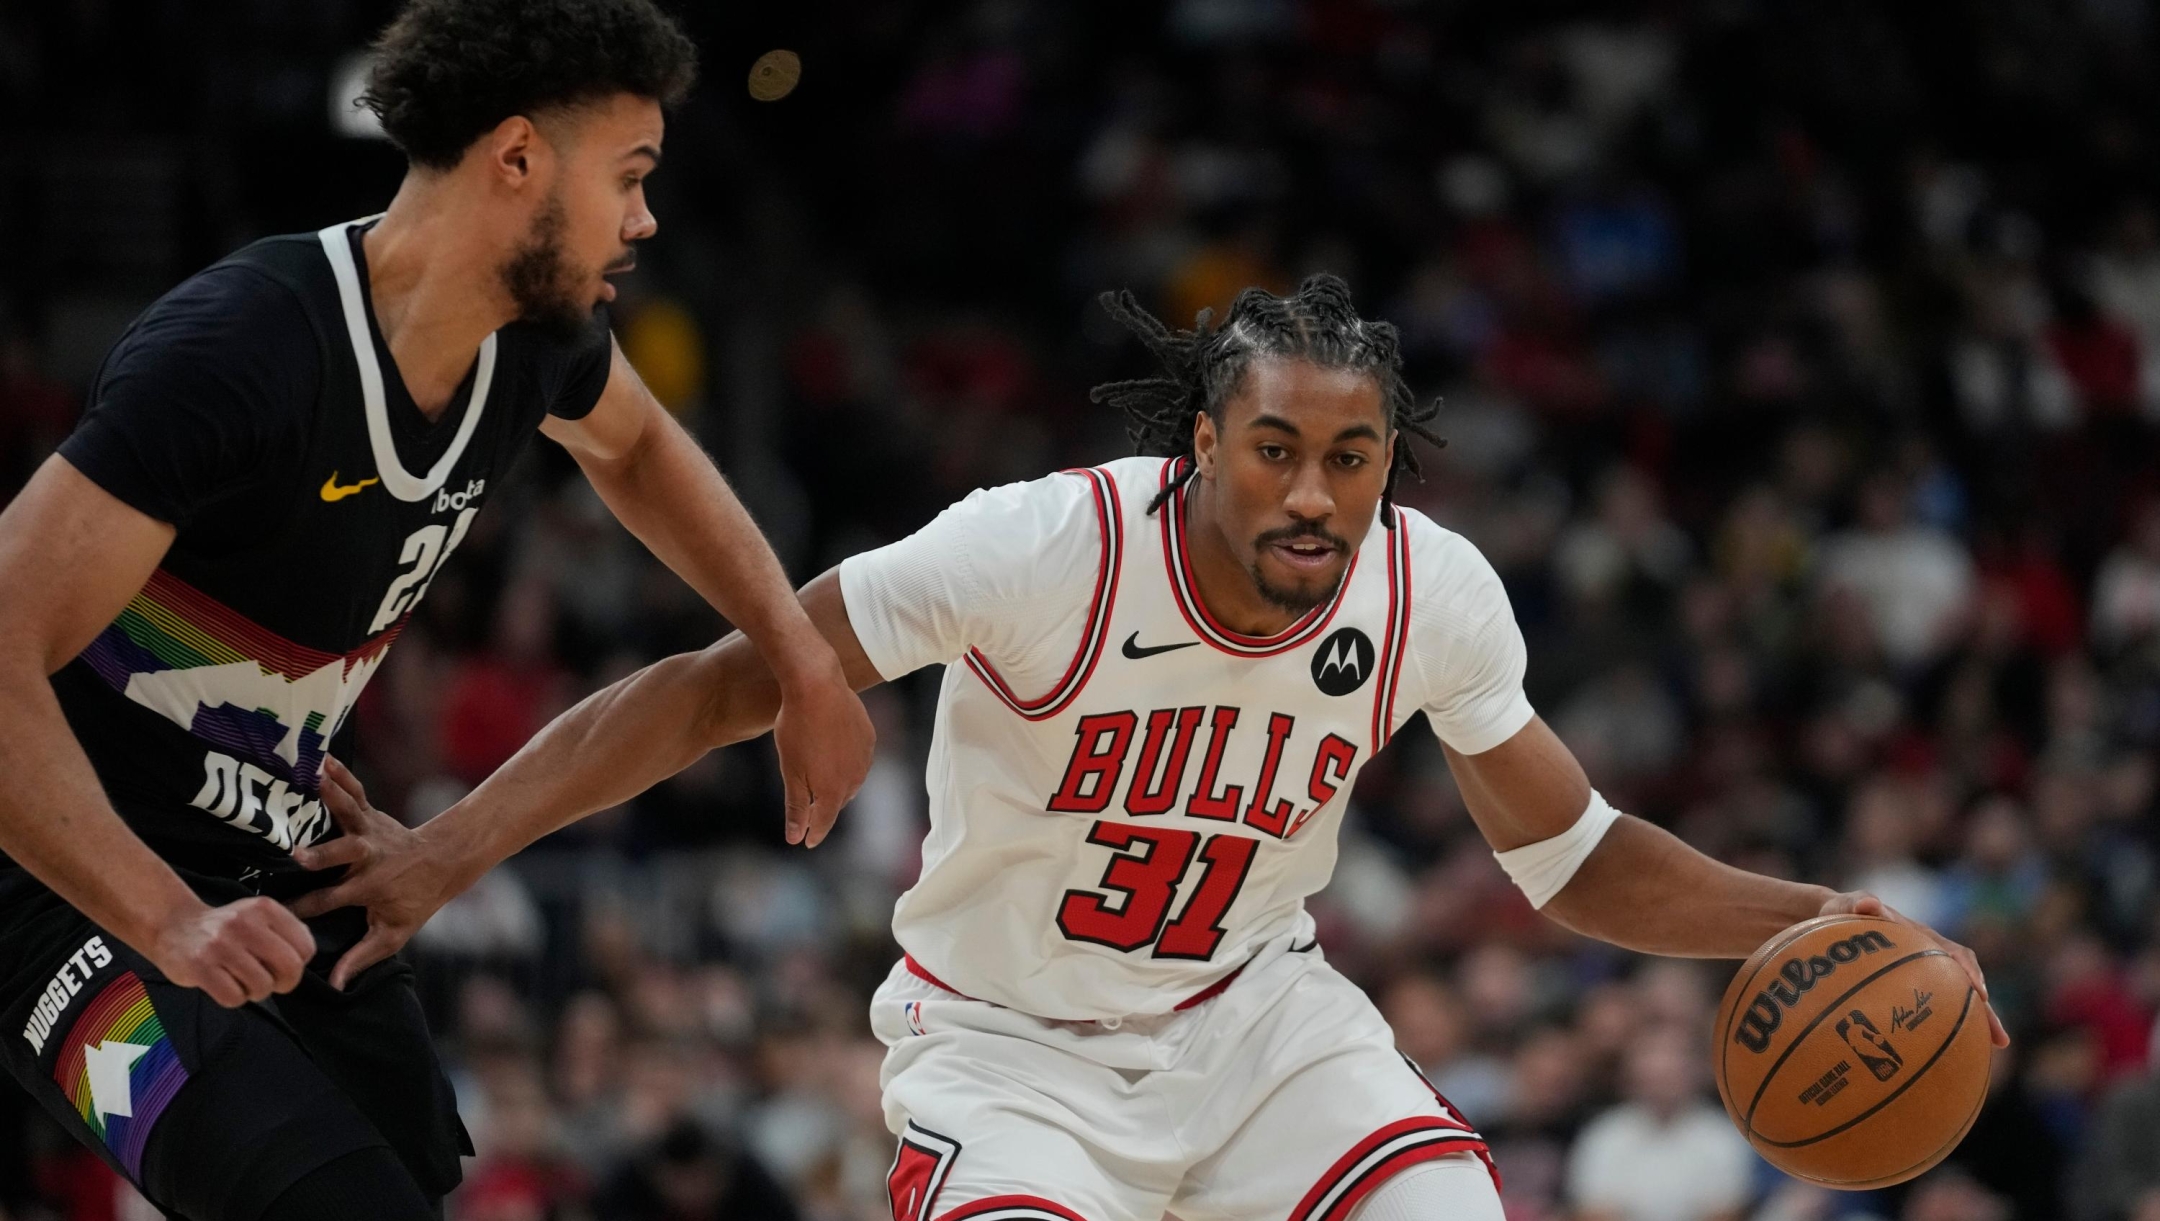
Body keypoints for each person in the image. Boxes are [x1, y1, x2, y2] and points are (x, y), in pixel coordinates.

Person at [307, 276, 2006, 1221]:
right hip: (1009, 1055)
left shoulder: (1433, 593)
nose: (1314, 493)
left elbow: (1571, 858)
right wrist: (447, 851)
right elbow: (707, 682)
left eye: (1353, 460)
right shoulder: (1037, 549)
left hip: (1259, 1027)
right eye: (1275, 448)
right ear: (1203, 441)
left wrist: (1801, 913)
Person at [0, 1, 874, 1216]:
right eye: (627, 176)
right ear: (517, 158)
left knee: (411, 1179)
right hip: (60, 877)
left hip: (273, 860)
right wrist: (165, 917)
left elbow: (636, 452)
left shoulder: (536, 341)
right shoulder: (244, 347)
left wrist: (801, 659)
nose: (645, 217)